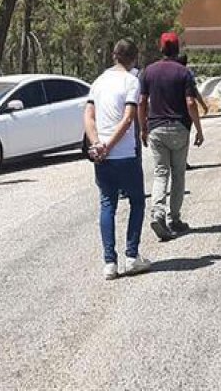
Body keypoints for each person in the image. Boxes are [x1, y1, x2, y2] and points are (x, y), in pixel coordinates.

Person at [85, 38, 150, 280]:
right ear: (134, 58)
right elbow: (128, 118)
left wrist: (97, 144)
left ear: (113, 56)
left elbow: (88, 115)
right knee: (137, 202)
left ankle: (109, 263)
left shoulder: (98, 82)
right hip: (125, 154)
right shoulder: (132, 81)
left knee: (107, 205)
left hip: (102, 156)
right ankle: (132, 256)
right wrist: (110, 146)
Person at [139, 32, 204, 240]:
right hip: (179, 128)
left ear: (161, 49)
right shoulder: (183, 73)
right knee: (178, 174)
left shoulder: (148, 72)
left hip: (156, 128)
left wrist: (143, 128)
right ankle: (174, 219)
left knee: (160, 173)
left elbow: (141, 102)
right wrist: (199, 129)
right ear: (177, 50)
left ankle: (157, 213)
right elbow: (191, 104)